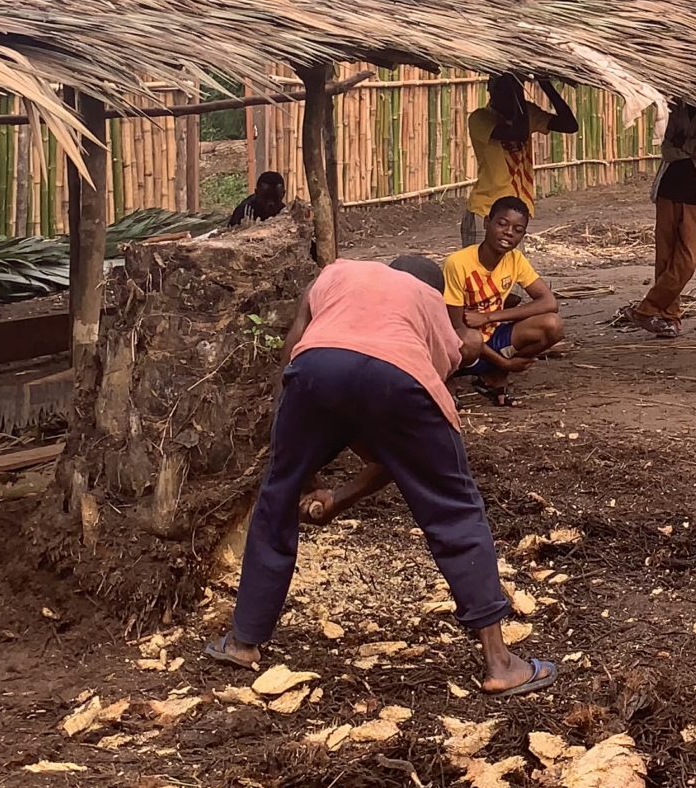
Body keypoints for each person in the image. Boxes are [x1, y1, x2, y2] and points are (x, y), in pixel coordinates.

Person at [204, 252, 552, 697]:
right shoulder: (429, 302)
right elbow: (407, 449)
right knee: (453, 509)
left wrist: (308, 478)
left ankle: (243, 641)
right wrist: (462, 344)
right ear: (432, 288)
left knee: (276, 499)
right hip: (397, 376)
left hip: (315, 367)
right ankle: (500, 664)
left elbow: (292, 355)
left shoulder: (336, 273)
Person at [441, 197, 565, 405]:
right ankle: (447, 381)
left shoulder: (515, 260)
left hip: (491, 335)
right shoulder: (458, 263)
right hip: (461, 345)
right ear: (487, 223)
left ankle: (490, 378)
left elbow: (548, 302)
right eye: (502, 224)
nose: (509, 232)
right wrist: (505, 363)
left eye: (517, 229)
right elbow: (456, 328)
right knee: (470, 339)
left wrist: (490, 316)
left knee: (552, 325)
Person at [627, 94, 696, 338]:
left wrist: (685, 144)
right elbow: (667, 148)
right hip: (667, 188)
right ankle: (669, 317)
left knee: (688, 258)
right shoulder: (677, 105)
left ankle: (647, 307)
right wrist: (692, 146)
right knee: (665, 256)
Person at [463, 73, 580, 246]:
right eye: (503, 87)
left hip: (517, 212)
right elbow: (518, 133)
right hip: (486, 211)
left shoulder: (526, 114)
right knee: (481, 270)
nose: (507, 93)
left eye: (510, 87)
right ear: (490, 88)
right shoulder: (480, 118)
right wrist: (518, 92)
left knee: (511, 272)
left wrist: (546, 85)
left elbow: (570, 125)